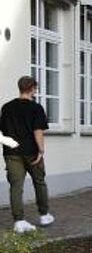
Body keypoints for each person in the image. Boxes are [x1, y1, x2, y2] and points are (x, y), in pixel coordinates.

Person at [0, 76, 53, 232]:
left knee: (16, 186)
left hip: (11, 153)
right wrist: (41, 151)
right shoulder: (36, 108)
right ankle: (44, 215)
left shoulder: (6, 107)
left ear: (20, 88)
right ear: (32, 88)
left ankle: (19, 221)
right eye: (35, 88)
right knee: (39, 182)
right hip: (32, 153)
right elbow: (38, 132)